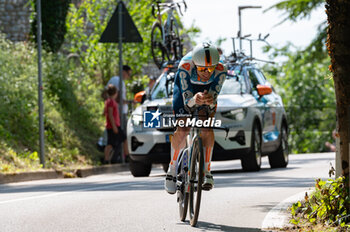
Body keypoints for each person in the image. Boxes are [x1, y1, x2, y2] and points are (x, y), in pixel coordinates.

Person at [165, 42, 227, 194]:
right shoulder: (185, 66)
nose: (206, 72)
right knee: (183, 127)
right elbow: (187, 101)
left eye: (210, 68)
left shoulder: (220, 69)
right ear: (195, 64)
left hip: (205, 91)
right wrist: (194, 99)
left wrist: (209, 99)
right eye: (202, 69)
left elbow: (214, 94)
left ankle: (207, 171)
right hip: (186, 89)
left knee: (207, 127)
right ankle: (172, 169)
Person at [106, 65, 132, 158]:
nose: (128, 77)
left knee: (114, 139)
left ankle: (117, 156)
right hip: (119, 114)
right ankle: (124, 156)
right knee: (122, 137)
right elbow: (119, 99)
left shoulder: (113, 79)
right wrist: (130, 102)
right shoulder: (120, 81)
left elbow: (105, 93)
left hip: (116, 114)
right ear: (124, 72)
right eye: (128, 74)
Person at [103, 84, 127, 164]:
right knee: (124, 139)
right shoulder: (111, 102)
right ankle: (127, 156)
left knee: (111, 144)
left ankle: (106, 159)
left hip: (113, 125)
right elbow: (110, 114)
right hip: (114, 126)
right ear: (115, 93)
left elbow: (105, 113)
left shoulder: (108, 101)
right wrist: (114, 127)